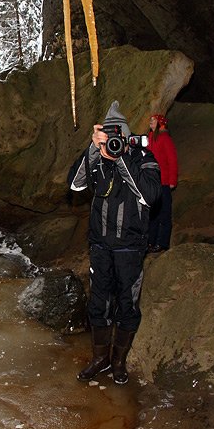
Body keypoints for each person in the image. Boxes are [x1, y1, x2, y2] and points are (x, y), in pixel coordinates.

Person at [69, 101, 161, 385]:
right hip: (100, 248)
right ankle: (100, 358)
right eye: (107, 139)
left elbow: (149, 195)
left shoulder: (143, 157)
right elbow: (74, 184)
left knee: (127, 306)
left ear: (125, 136)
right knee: (99, 304)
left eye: (115, 139)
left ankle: (119, 361)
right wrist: (93, 150)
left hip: (130, 249)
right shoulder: (97, 158)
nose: (111, 145)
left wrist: (121, 158)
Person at [146, 113, 178, 253]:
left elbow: (172, 160)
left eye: (153, 121)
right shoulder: (150, 138)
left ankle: (162, 243)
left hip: (163, 182)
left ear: (160, 123)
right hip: (152, 182)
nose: (150, 123)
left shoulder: (165, 139)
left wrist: (172, 181)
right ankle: (150, 242)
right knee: (152, 213)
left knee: (164, 214)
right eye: (150, 121)